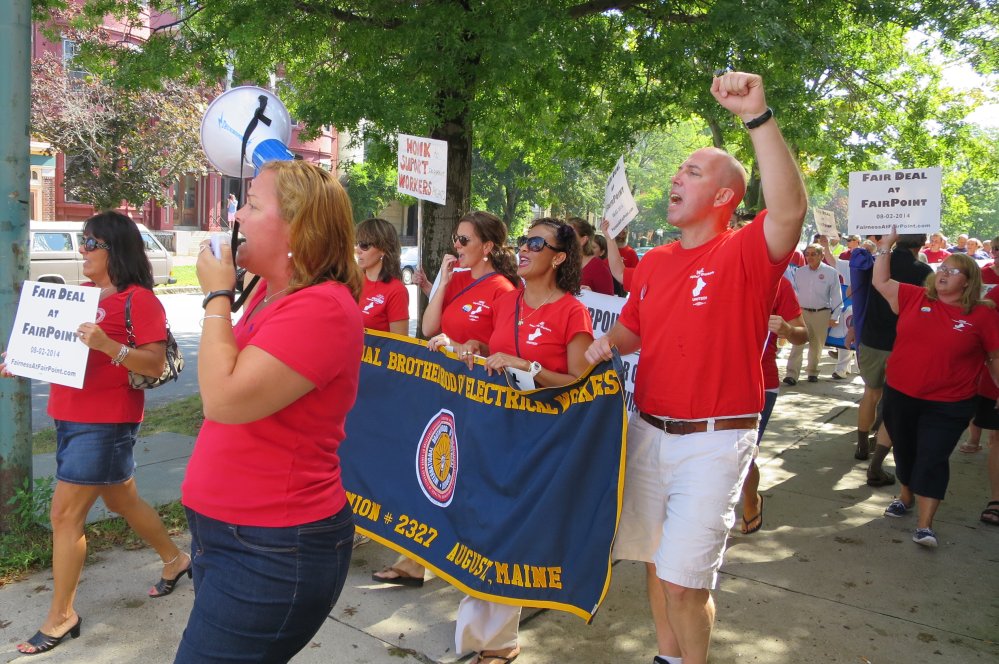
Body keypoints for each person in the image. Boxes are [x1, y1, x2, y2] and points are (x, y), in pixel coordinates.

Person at [585, 71, 807, 664]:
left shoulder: (744, 250)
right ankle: (669, 657)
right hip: (649, 433)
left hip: (714, 442)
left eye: (692, 170)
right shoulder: (654, 262)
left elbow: (789, 208)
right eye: (678, 167)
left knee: (687, 582)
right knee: (658, 567)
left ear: (724, 197)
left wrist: (756, 117)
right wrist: (598, 346)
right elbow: (632, 331)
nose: (676, 176)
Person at [176, 160, 363, 661]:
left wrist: (217, 295)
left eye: (252, 204)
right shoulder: (269, 291)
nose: (236, 215)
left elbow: (224, 399)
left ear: (300, 228)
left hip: (274, 547)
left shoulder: (322, 306)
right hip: (229, 531)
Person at [3, 211, 186, 656]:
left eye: (91, 242)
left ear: (114, 249)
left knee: (65, 516)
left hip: (106, 420)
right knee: (121, 499)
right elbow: (50, 345)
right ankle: (177, 559)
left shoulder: (139, 300)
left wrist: (110, 347)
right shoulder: (80, 297)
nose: (82, 249)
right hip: (69, 414)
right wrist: (19, 358)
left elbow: (154, 364)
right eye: (83, 242)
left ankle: (63, 616)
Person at [452, 217, 592, 664]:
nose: (525, 248)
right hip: (493, 430)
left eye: (537, 242)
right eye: (524, 240)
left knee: (509, 530)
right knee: (485, 525)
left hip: (542, 439)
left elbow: (580, 383)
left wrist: (526, 366)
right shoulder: (508, 300)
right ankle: (487, 625)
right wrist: (473, 346)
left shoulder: (573, 311)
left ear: (560, 256)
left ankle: (500, 638)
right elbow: (488, 344)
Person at [375, 211, 518, 587]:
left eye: (465, 240)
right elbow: (428, 327)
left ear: (487, 247)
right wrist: (443, 278)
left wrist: (475, 344)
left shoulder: (502, 289)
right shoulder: (458, 279)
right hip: (445, 392)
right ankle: (413, 562)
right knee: (429, 472)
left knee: (458, 479)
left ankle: (459, 559)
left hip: (477, 398)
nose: (457, 246)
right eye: (456, 239)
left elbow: (500, 345)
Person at [873, 236, 999, 548]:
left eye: (953, 271)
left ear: (968, 282)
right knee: (905, 450)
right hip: (901, 394)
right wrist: (885, 246)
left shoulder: (982, 315)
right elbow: (881, 280)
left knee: (933, 456)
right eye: (941, 267)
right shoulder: (914, 297)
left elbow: (994, 357)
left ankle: (925, 526)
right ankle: (905, 496)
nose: (943, 273)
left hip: (949, 403)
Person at [852, 234, 932, 485]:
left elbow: (861, 296)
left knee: (870, 393)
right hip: (902, 343)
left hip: (872, 337)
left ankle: (862, 445)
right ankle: (878, 454)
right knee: (894, 401)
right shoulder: (923, 270)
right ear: (921, 244)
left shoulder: (878, 262)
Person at [784, 243, 842, 384]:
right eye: (807, 254)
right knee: (797, 343)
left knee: (816, 345)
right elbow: (794, 292)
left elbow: (836, 296)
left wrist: (835, 316)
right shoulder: (800, 272)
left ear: (821, 256)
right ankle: (791, 374)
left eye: (813, 254)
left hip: (821, 313)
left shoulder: (831, 273)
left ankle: (812, 372)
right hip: (801, 312)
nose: (809, 257)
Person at [356, 217, 410, 335]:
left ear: (383, 249)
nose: (358, 249)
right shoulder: (352, 282)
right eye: (357, 243)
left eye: (364, 245)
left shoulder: (396, 291)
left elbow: (398, 345)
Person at [568, 216, 615, 295]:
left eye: (569, 234)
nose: (564, 237)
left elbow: (608, 301)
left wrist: (592, 296)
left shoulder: (599, 267)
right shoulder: (559, 261)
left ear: (583, 240)